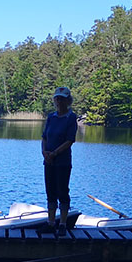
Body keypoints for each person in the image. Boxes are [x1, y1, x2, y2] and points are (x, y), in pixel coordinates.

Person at [40, 86, 77, 233]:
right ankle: (50, 223)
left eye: (62, 98)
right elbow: (44, 137)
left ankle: (62, 224)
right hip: (48, 161)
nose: (59, 101)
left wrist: (54, 153)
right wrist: (44, 152)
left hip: (62, 162)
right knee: (50, 191)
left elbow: (70, 140)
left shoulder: (71, 118)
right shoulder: (51, 117)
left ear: (68, 101)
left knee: (62, 191)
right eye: (57, 98)